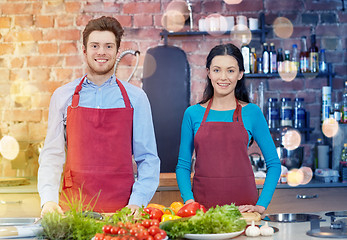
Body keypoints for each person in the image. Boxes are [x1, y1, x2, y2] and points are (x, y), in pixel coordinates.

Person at [38, 16, 160, 216]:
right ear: (84, 51)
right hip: (72, 212)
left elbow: (148, 159)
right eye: (95, 46)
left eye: (108, 46)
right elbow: (52, 155)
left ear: (117, 51)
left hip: (121, 213)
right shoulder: (63, 97)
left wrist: (137, 203)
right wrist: (49, 201)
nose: (101, 52)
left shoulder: (136, 98)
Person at [176, 43, 281, 214]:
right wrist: (190, 202)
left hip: (244, 210)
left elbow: (274, 164)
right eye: (217, 70)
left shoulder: (252, 112)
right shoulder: (192, 114)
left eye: (230, 71)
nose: (223, 77)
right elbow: (182, 165)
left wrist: (261, 206)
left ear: (240, 74)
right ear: (208, 73)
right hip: (203, 211)